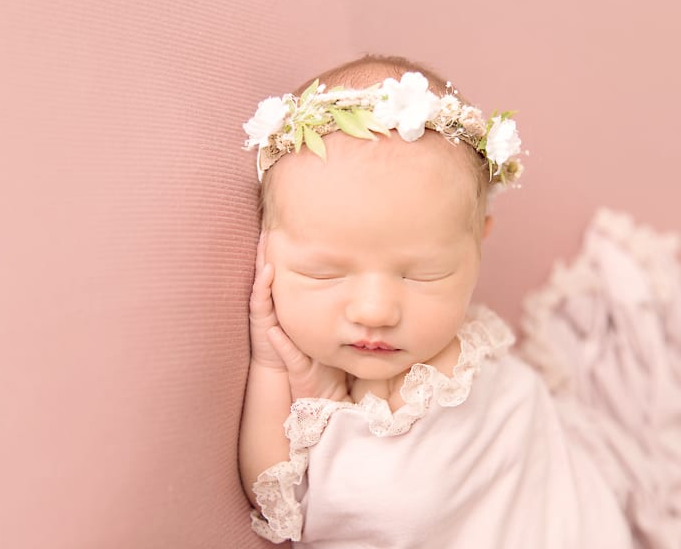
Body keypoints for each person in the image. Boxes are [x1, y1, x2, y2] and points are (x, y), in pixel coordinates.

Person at [237, 55, 632, 548]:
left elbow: (401, 507)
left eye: (424, 275)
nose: (376, 311)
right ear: (267, 249)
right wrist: (271, 365)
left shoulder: (470, 377)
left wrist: (332, 403)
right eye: (325, 273)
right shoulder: (306, 367)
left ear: (478, 247)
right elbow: (274, 496)